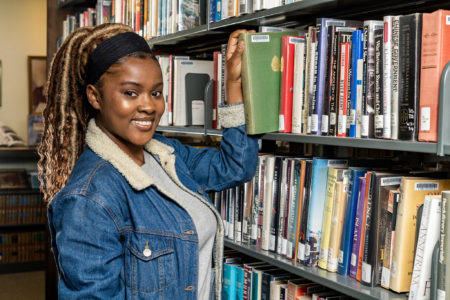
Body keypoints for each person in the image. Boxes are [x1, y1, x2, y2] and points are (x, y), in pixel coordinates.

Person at [38, 23, 258, 299]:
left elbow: (235, 167)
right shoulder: (88, 199)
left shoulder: (167, 154)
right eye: (131, 92)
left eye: (156, 92)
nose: (149, 106)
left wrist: (234, 85)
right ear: (95, 96)